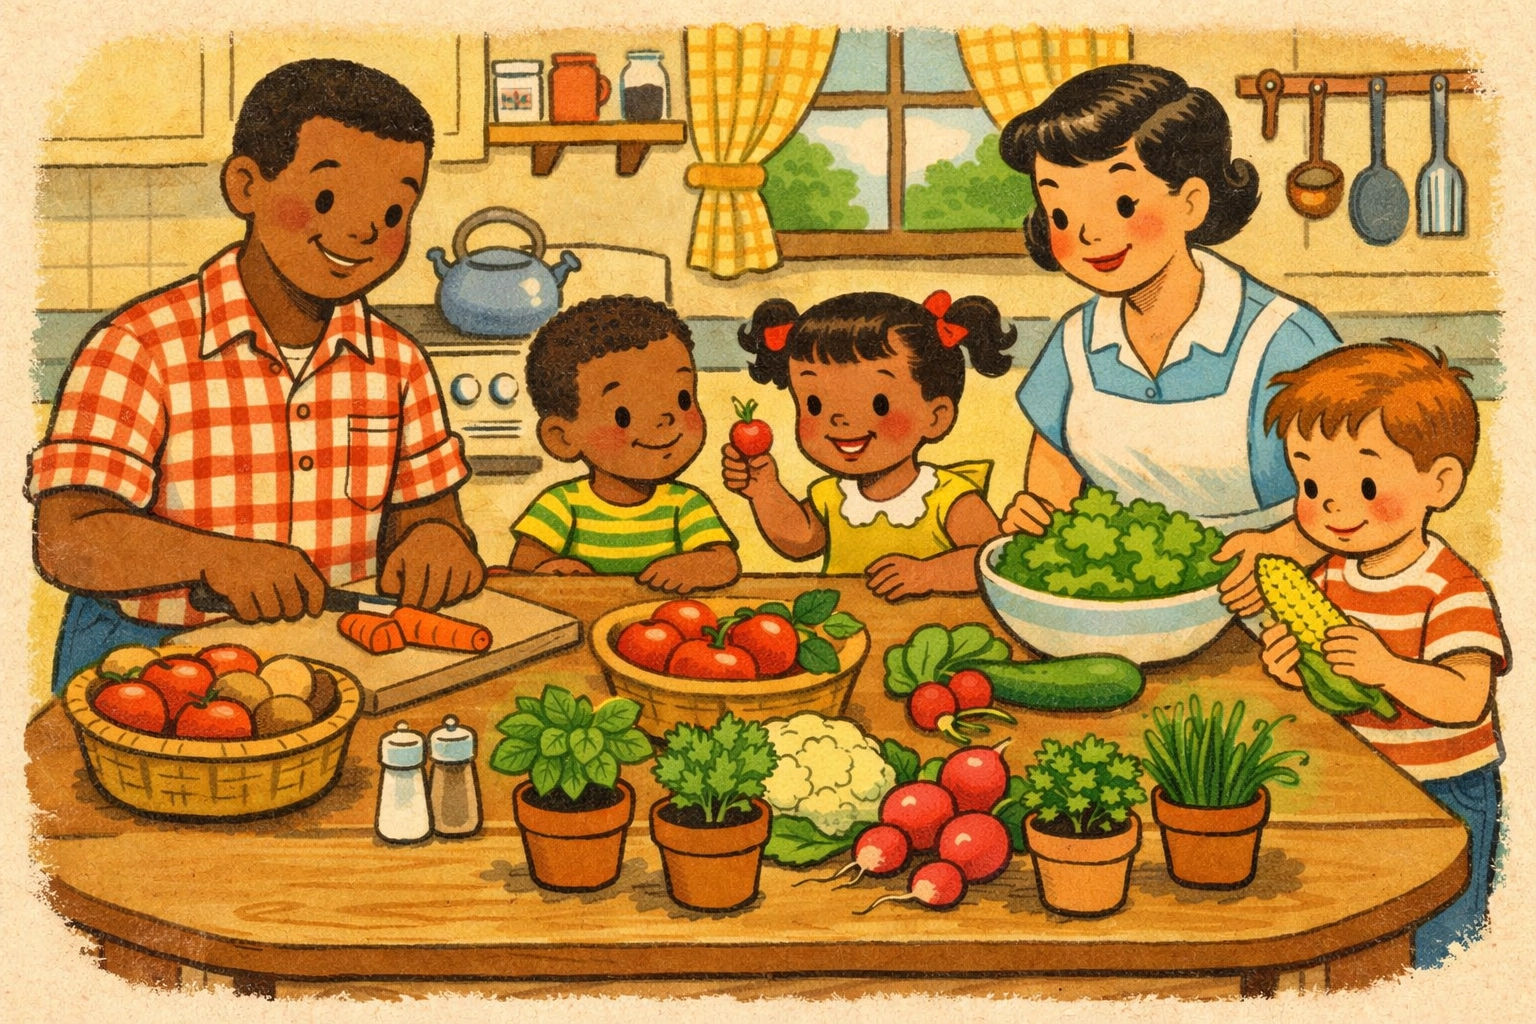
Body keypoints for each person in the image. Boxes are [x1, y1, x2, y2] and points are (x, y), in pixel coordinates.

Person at [29, 58, 485, 695]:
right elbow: (66, 539)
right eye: (327, 197)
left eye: (392, 212)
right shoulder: (138, 346)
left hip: (344, 656)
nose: (361, 230)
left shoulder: (399, 362)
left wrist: (437, 541)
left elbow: (430, 517)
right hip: (156, 660)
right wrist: (213, 557)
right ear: (246, 185)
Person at [996, 64, 1343, 612]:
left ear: (1192, 201)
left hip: (1280, 599)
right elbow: (1054, 474)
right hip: (1121, 606)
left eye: (1122, 203)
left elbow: (1354, 485)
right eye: (1060, 211)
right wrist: (1037, 515)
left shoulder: (1285, 339)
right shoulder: (1072, 344)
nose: (1087, 233)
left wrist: (1289, 546)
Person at [1255, 340, 1506, 969]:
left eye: (1365, 483)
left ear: (1440, 484)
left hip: (1442, 792)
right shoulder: (1328, 579)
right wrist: (1294, 670)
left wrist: (1387, 669)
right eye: (1310, 481)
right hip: (1360, 790)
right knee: (1361, 939)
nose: (1332, 505)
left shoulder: (1451, 588)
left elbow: (1465, 697)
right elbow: (1329, 689)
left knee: (1439, 944)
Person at [723, 291, 1013, 599]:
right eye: (814, 404)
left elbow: (995, 559)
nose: (838, 418)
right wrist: (764, 489)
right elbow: (801, 540)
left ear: (936, 416)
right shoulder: (832, 496)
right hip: (843, 631)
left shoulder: (949, 496)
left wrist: (928, 574)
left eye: (878, 403)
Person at [509, 295, 740, 593]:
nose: (666, 419)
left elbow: (726, 562)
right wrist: (550, 569)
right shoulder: (562, 505)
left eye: (682, 399)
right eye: (624, 415)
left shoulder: (685, 504)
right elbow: (522, 566)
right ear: (563, 437)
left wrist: (697, 566)